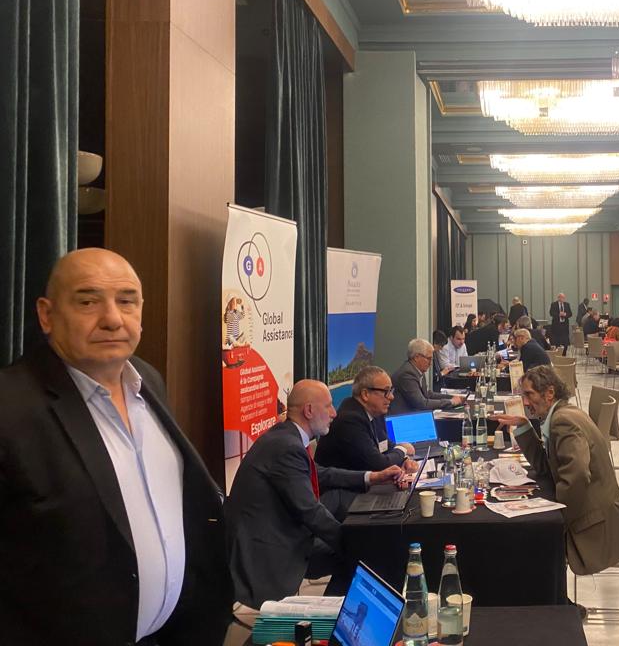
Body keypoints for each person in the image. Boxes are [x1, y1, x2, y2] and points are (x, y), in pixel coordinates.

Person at [0, 248, 233, 644]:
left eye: (127, 301)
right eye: (88, 302)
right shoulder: (10, 406)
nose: (112, 319)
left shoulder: (147, 380)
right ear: (46, 315)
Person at [226, 380, 403, 607]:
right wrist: (355, 541)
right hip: (270, 552)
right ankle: (331, 616)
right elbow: (310, 511)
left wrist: (373, 477)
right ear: (309, 411)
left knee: (358, 550)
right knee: (363, 553)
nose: (334, 413)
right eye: (328, 406)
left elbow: (321, 473)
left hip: (280, 537)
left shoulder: (286, 437)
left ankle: (332, 613)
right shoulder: (287, 447)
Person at [496, 366, 619, 576]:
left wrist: (557, 517)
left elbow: (577, 476)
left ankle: (547, 596)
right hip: (598, 515)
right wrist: (525, 426)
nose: (525, 403)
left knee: (526, 543)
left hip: (596, 528)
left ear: (549, 393)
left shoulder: (563, 421)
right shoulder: (563, 413)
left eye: (529, 394)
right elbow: (546, 467)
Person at [315, 366, 421, 474]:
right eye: (386, 391)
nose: (391, 397)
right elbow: (378, 464)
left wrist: (404, 460)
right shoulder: (349, 420)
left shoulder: (375, 412)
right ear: (365, 394)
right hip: (340, 484)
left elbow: (384, 446)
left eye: (391, 391)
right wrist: (403, 450)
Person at [390, 338, 464, 414]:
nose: (430, 363)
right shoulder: (407, 374)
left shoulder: (417, 370)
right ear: (416, 357)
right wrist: (450, 402)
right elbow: (421, 403)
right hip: (403, 417)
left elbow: (427, 394)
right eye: (429, 359)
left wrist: (452, 397)